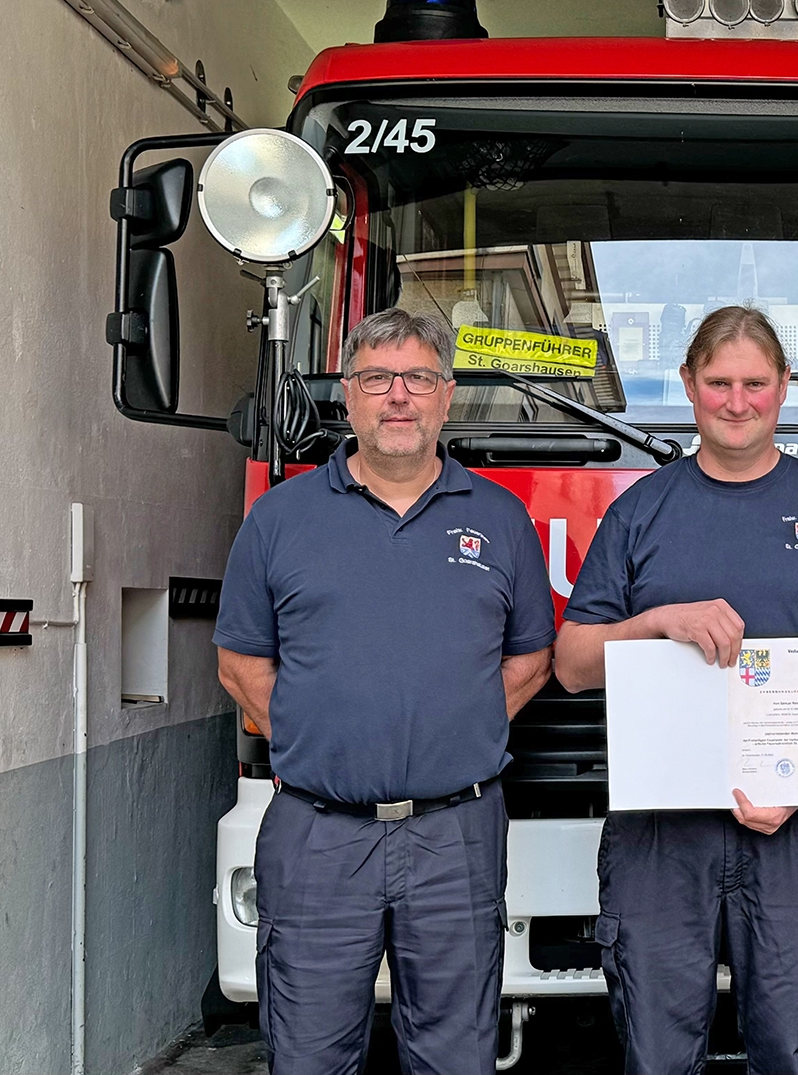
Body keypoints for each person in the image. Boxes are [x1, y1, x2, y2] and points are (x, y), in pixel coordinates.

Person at [553, 306, 798, 1075]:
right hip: (658, 835)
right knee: (654, 1054)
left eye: (755, 382)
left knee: (788, 1049)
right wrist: (654, 621)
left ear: (784, 387)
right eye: (719, 382)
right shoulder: (640, 511)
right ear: (689, 385)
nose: (737, 401)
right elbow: (572, 662)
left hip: (790, 828)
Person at [213, 308, 556, 1073]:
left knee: (455, 1055)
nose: (398, 396)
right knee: (308, 1052)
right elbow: (240, 664)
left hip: (455, 835)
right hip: (318, 833)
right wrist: (323, 740)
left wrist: (447, 730)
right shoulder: (279, 518)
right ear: (347, 395)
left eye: (418, 379)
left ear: (447, 395)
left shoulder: (501, 520)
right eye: (377, 378)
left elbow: (531, 659)